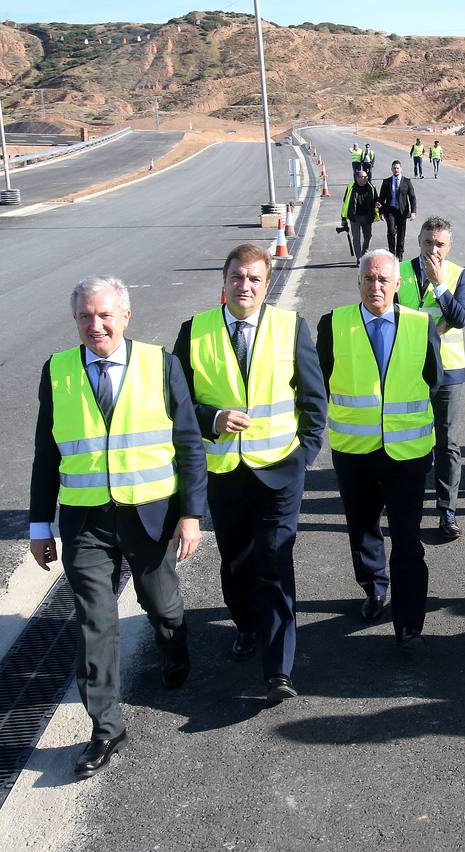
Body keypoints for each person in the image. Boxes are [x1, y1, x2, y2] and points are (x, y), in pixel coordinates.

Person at [28, 275, 206, 777]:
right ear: (75, 320)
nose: (96, 325)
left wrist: (191, 514)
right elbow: (46, 453)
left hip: (149, 513)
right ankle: (106, 726)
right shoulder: (58, 371)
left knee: (161, 603)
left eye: (105, 315)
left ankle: (175, 648)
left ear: (125, 316)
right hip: (85, 519)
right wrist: (39, 525)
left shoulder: (160, 364)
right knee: (94, 620)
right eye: (85, 316)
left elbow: (189, 444)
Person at [172, 245, 326, 704]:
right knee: (236, 561)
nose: (245, 286)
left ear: (266, 283)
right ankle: (245, 624)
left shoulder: (290, 327)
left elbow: (313, 399)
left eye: (255, 279)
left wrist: (304, 455)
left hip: (280, 469)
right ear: (224, 281)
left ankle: (279, 669)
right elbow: (176, 404)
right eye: (237, 277)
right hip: (223, 471)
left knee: (275, 561)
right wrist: (212, 418)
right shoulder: (195, 331)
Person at [317, 250, 442, 647]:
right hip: (354, 451)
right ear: (359, 282)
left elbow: (434, 379)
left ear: (398, 283)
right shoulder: (334, 324)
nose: (376, 286)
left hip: (407, 452)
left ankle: (409, 623)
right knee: (363, 527)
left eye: (384, 280)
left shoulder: (421, 324)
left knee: (407, 538)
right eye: (369, 279)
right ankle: (374, 587)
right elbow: (320, 380)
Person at [397, 217, 465, 540]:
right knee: (408, 436)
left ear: (449, 246)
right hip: (407, 368)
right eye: (428, 242)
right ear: (419, 242)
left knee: (447, 442)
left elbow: (460, 318)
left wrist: (439, 284)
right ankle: (405, 503)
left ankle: (447, 510)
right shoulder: (399, 272)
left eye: (440, 244)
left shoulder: (458, 275)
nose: (433, 249)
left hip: (448, 370)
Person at [378, 160, 417, 260]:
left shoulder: (407, 181)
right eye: (394, 168)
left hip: (402, 212)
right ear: (391, 169)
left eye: (397, 168)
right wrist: (381, 212)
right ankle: (391, 254)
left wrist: (413, 212)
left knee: (401, 234)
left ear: (401, 169)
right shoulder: (386, 182)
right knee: (391, 231)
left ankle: (399, 256)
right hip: (390, 211)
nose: (396, 170)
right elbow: (381, 198)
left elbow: (412, 197)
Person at [340, 169, 380, 259]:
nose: (366, 178)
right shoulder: (351, 187)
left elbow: (376, 199)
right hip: (354, 217)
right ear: (357, 178)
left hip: (367, 217)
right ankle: (359, 259)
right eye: (363, 177)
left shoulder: (371, 187)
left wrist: (377, 203)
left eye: (366, 177)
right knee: (356, 238)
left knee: (368, 237)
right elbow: (345, 203)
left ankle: (364, 255)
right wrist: (343, 218)